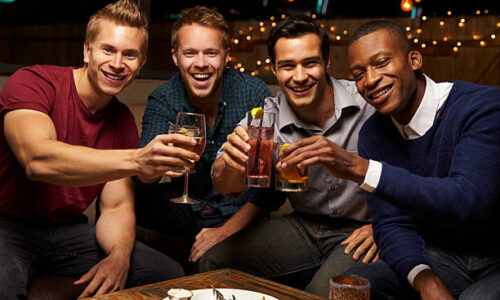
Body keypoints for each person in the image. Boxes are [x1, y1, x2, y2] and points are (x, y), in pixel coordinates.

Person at [0, 0, 193, 298]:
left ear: (140, 64)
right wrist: (137, 159)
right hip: (8, 226)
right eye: (108, 50)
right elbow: (37, 160)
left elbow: (116, 207)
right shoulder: (34, 83)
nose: (117, 64)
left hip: (66, 232)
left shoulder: (122, 121)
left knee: (167, 274)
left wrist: (118, 257)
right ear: (87, 50)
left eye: (129, 55)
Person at [200, 16, 378, 297]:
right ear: (274, 68)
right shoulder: (264, 118)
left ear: (327, 62)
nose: (299, 76)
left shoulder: (367, 103)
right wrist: (232, 162)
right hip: (304, 225)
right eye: (287, 66)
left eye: (309, 63)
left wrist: (386, 227)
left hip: (361, 230)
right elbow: (225, 184)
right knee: (213, 261)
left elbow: (417, 168)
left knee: (321, 292)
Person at [321, 20, 498, 300]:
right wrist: (423, 278)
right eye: (358, 74)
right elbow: (392, 224)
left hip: (495, 257)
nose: (370, 80)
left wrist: (363, 170)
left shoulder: (481, 107)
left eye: (381, 63)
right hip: (442, 254)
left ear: (414, 60)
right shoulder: (374, 133)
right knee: (354, 286)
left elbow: (466, 202)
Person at [134, 5, 271, 266]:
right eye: (190, 53)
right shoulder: (164, 98)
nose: (200, 64)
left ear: (226, 56)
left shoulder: (253, 93)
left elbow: (266, 189)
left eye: (211, 53)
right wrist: (156, 163)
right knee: (122, 192)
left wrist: (223, 232)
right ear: (175, 57)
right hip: (185, 208)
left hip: (236, 210)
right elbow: (143, 177)